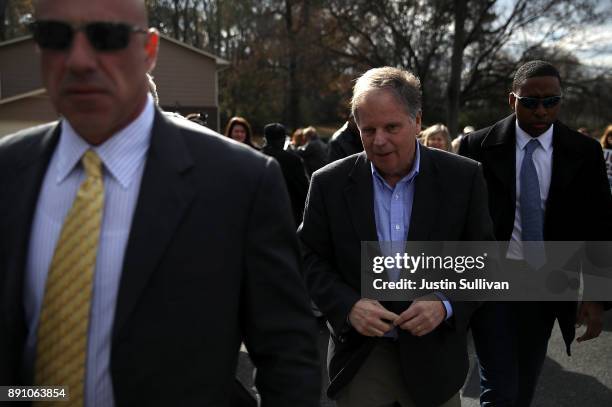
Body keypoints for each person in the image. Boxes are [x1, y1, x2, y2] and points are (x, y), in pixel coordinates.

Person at [0, 0, 321, 406]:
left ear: (149, 51)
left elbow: (288, 359)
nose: (79, 59)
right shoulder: (9, 172)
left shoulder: (240, 182)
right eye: (54, 37)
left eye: (107, 36)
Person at [298, 66, 495, 407]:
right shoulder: (328, 183)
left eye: (391, 127)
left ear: (417, 121)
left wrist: (444, 303)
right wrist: (348, 306)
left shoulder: (462, 177)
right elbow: (308, 257)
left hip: (435, 360)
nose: (379, 140)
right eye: (368, 129)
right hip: (361, 358)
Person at [459, 60, 612, 406]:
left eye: (551, 101)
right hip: (492, 281)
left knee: (525, 382)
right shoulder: (476, 146)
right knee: (499, 389)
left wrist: (597, 296)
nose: (541, 110)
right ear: (512, 100)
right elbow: (460, 222)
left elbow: (599, 223)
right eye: (530, 102)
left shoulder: (585, 152)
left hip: (547, 281)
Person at [262, 123, 310, 225]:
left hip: (262, 215)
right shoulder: (293, 160)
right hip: (290, 215)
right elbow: (304, 189)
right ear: (283, 139)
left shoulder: (256, 157)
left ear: (265, 139)